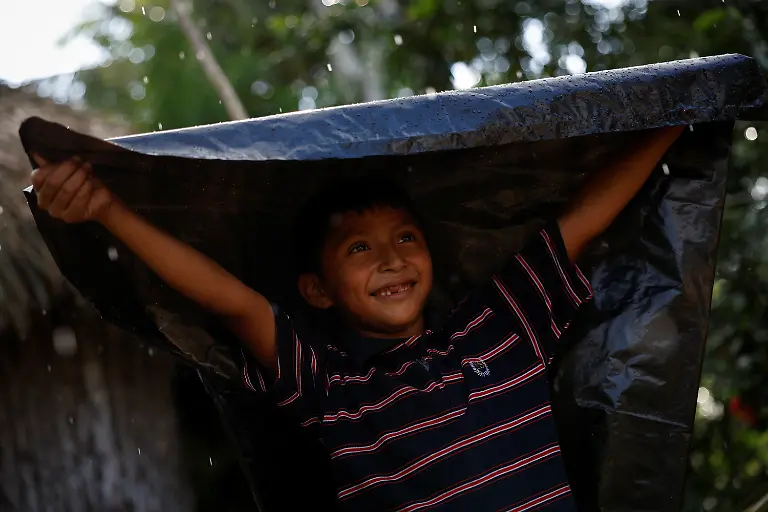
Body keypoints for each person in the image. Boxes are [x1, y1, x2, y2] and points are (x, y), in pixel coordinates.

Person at [30, 124, 684, 512]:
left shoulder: (501, 327)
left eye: (405, 238)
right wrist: (108, 212)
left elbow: (586, 217)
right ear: (317, 290)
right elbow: (231, 300)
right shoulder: (332, 393)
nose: (392, 260)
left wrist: (679, 115)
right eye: (359, 248)